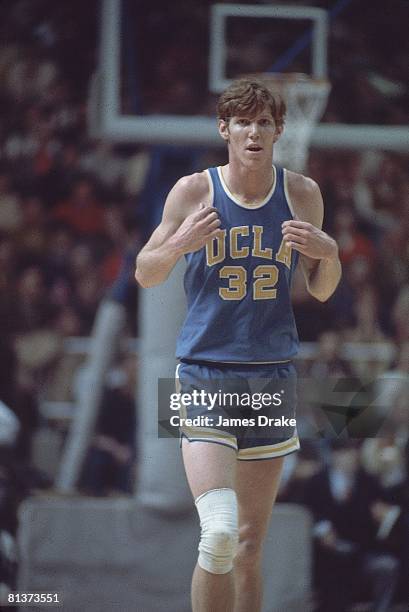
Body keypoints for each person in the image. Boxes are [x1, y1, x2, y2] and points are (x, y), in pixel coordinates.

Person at [135, 78, 341, 612]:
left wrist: (331, 252)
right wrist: (181, 242)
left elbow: (320, 289)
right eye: (243, 122)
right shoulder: (192, 191)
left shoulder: (303, 194)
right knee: (220, 532)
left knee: (249, 546)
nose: (254, 132)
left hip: (272, 375)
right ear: (224, 129)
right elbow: (145, 272)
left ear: (279, 131)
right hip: (203, 372)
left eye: (264, 123)